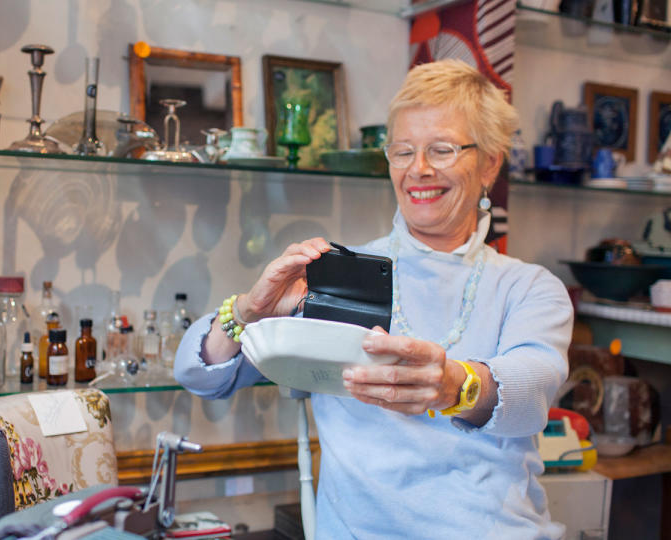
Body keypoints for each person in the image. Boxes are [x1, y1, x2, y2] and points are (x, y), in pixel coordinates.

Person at [174, 59, 573, 539]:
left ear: (490, 161)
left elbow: (533, 394)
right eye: (402, 151)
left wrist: (456, 384)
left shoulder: (528, 287)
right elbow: (200, 376)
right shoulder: (336, 272)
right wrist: (249, 310)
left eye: (441, 149)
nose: (418, 170)